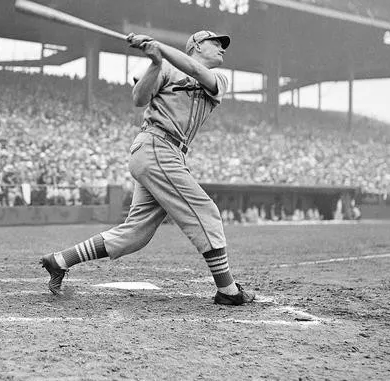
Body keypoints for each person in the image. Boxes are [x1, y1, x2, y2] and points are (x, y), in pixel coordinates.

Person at [40, 30, 255, 306]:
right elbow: (139, 99)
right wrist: (155, 63)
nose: (222, 48)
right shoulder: (163, 66)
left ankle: (59, 260)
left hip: (168, 153)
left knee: (135, 235)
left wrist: (160, 48)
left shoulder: (219, 79)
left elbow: (194, 70)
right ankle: (228, 290)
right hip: (156, 145)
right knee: (206, 213)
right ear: (197, 45)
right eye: (216, 43)